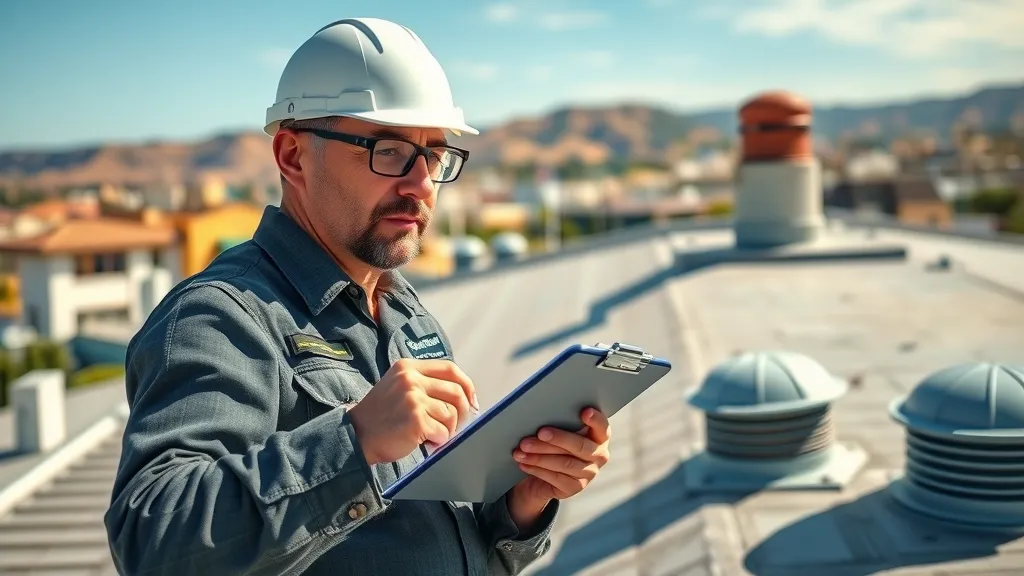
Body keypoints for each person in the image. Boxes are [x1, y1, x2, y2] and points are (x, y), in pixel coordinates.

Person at [104, 17, 613, 576]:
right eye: (389, 151)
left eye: (435, 156)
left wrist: (523, 502)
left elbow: (436, 539)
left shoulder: (403, 310)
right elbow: (153, 539)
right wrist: (355, 440)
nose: (419, 184)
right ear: (293, 157)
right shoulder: (220, 318)